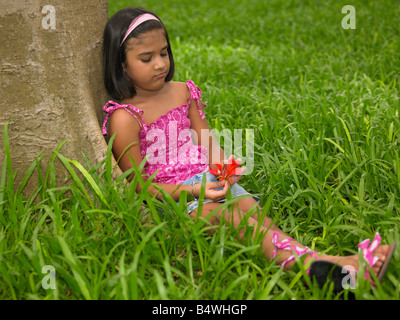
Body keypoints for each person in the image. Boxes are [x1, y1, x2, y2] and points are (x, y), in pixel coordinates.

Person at [102, 7, 395, 293]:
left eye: (163, 52)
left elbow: (207, 142)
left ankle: (333, 267)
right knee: (233, 219)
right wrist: (194, 191)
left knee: (260, 219)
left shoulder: (181, 91)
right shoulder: (125, 117)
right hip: (177, 201)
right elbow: (139, 186)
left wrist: (224, 169)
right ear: (122, 64)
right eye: (146, 58)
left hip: (210, 183)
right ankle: (336, 267)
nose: (160, 64)